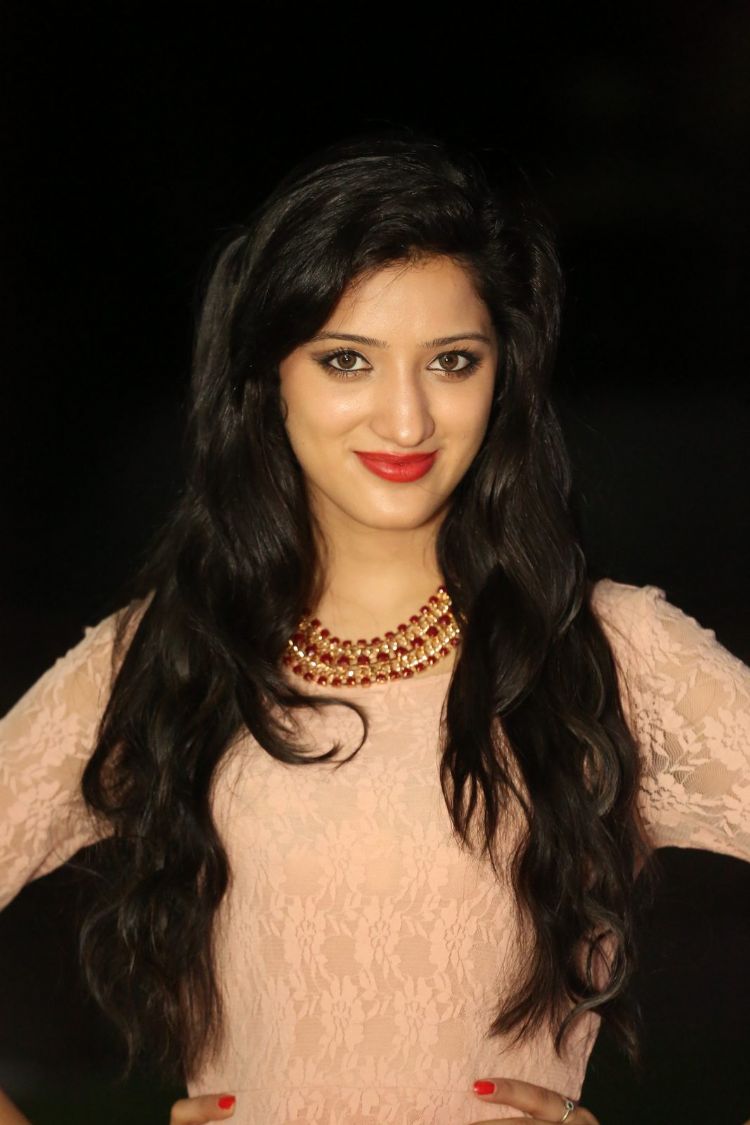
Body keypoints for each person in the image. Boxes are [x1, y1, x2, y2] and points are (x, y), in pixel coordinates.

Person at [1, 128, 748, 1125]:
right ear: (271, 376)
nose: (406, 420)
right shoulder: (172, 656)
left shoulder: (603, 652)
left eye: (452, 361)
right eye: (347, 360)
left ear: (503, 378)